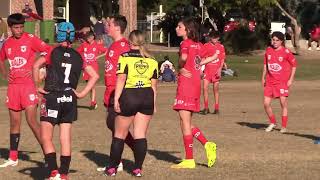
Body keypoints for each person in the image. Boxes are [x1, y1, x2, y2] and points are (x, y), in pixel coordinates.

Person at [33, 22, 99, 180]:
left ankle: (54, 171)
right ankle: (64, 174)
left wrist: (37, 86)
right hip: (70, 98)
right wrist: (82, 93)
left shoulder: (51, 51)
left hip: (52, 97)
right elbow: (95, 75)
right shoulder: (79, 56)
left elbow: (36, 66)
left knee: (46, 137)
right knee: (65, 138)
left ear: (59, 34)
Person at [105, 30, 158, 177]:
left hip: (130, 95)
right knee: (140, 134)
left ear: (130, 42)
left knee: (119, 134)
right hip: (146, 96)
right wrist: (153, 104)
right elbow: (154, 85)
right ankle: (137, 169)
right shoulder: (152, 60)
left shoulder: (125, 57)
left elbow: (121, 79)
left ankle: (112, 168)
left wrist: (116, 99)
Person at [0, 13, 50, 168]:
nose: (19, 30)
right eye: (16, 27)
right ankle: (13, 157)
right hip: (13, 88)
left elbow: (49, 51)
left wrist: (39, 67)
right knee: (14, 123)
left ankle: (49, 156)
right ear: (10, 28)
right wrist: (4, 74)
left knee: (32, 121)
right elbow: (0, 58)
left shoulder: (30, 39)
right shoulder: (7, 43)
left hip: (28, 86)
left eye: (21, 27)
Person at [171, 18, 217, 169]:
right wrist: (197, 65)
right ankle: (207, 145)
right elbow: (214, 55)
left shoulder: (185, 43)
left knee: (184, 122)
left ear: (188, 30)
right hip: (196, 84)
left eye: (179, 26)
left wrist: (180, 66)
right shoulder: (198, 45)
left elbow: (184, 58)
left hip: (186, 85)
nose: (177, 28)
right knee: (187, 122)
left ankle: (190, 159)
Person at [98, 15, 134, 172]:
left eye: (110, 24)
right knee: (113, 126)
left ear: (118, 28)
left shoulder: (124, 46)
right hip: (109, 90)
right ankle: (117, 161)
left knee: (115, 126)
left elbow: (129, 70)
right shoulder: (113, 45)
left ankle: (134, 150)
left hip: (119, 92)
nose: (107, 26)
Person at [263, 31, 297, 133]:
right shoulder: (268, 50)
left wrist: (290, 79)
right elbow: (265, 65)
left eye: (277, 40)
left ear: (281, 41)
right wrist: (263, 77)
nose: (274, 42)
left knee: (283, 103)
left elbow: (294, 65)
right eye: (273, 40)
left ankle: (284, 126)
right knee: (266, 103)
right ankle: (273, 122)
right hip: (270, 81)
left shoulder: (286, 52)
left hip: (282, 82)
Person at [77, 31, 108, 109]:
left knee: (92, 86)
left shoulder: (97, 45)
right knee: (89, 86)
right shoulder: (84, 45)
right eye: (86, 38)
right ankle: (93, 101)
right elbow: (77, 52)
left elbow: (107, 51)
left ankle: (93, 102)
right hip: (86, 68)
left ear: (92, 37)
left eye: (88, 38)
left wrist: (97, 57)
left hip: (93, 68)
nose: (87, 39)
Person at [199, 31, 225, 115]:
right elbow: (202, 58)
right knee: (205, 88)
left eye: (216, 38)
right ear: (210, 38)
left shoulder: (221, 47)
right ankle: (206, 108)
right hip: (207, 70)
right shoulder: (206, 46)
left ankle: (216, 108)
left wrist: (220, 69)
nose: (215, 39)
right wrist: (201, 70)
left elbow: (222, 59)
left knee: (216, 89)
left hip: (216, 70)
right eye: (213, 37)